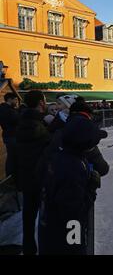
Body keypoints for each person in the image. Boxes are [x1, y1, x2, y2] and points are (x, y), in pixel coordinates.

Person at [38, 113, 108, 255]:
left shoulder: (64, 156)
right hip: (64, 236)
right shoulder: (72, 167)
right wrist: (91, 188)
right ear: (84, 143)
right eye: (94, 141)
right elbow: (73, 214)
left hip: (53, 230)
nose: (96, 145)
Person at [10, 90, 50, 255]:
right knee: (46, 218)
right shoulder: (41, 125)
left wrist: (16, 178)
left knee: (28, 216)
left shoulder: (19, 123)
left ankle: (28, 249)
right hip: (42, 179)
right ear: (41, 103)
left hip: (26, 179)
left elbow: (13, 155)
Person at [0, 92, 20, 177]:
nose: (16, 102)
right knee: (13, 157)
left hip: (8, 135)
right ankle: (11, 177)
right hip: (12, 135)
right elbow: (16, 120)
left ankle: (10, 176)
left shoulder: (3, 108)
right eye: (15, 99)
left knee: (11, 156)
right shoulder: (8, 110)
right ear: (9, 99)